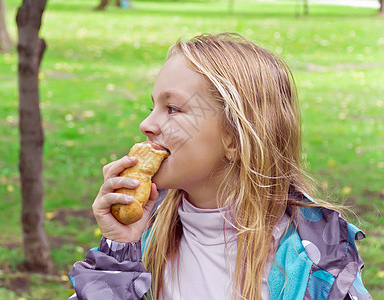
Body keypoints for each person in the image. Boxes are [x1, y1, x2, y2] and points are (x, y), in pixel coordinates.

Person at [67, 33, 371, 300]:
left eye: (173, 109)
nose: (146, 124)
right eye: (152, 107)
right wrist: (119, 249)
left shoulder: (314, 259)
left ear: (235, 139)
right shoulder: (146, 233)